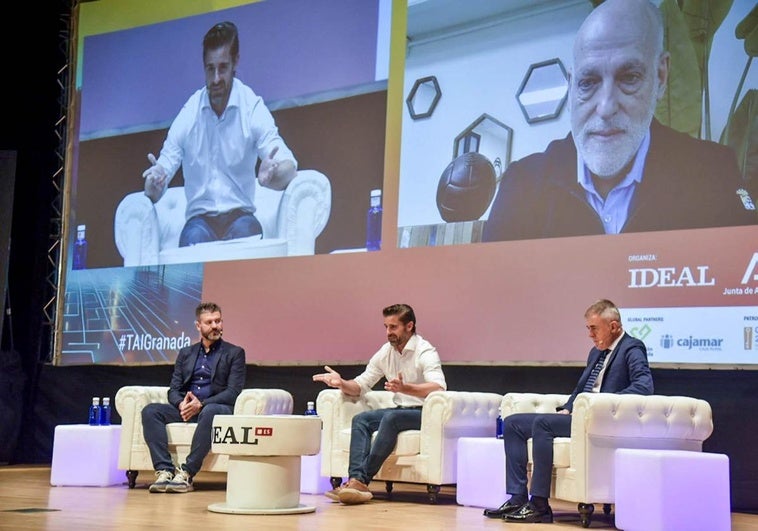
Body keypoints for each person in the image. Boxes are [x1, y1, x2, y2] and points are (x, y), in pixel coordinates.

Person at [482, 0, 755, 243]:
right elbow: (492, 293)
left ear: (660, 78)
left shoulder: (714, 174)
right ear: (571, 85)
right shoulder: (521, 186)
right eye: (588, 83)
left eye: (629, 78)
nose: (605, 107)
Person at [483, 299, 653, 523]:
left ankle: (540, 505)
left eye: (594, 328)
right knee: (513, 422)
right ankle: (517, 497)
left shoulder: (632, 347)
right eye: (588, 328)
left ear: (613, 326)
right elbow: (581, 388)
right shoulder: (596, 353)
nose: (590, 334)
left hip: (600, 419)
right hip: (579, 415)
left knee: (542, 424)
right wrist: (569, 408)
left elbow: (644, 386)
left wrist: (598, 403)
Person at [142, 21, 298, 247]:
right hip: (199, 221)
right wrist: (153, 183)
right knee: (194, 239)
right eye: (210, 69)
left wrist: (272, 177)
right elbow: (160, 176)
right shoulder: (189, 113)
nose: (215, 79)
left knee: (247, 234)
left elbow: (289, 167)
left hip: (240, 217)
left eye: (223, 68)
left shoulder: (251, 107)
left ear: (236, 62)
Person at [312, 303, 447, 505]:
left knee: (391, 418)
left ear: (409, 326)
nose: (388, 332)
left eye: (393, 327)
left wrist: (405, 388)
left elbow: (439, 388)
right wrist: (341, 384)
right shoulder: (386, 352)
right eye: (386, 327)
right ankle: (355, 480)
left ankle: (361, 480)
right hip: (401, 410)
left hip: (424, 412)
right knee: (361, 419)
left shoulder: (425, 351)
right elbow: (361, 384)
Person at [142, 301, 246, 493]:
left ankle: (187, 473)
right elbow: (173, 389)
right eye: (209, 322)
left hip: (215, 408)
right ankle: (164, 470)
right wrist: (182, 404)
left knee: (210, 410)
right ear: (198, 326)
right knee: (150, 411)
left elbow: (233, 392)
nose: (215, 326)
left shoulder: (234, 353)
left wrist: (202, 404)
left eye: (218, 321)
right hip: (189, 408)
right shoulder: (186, 353)